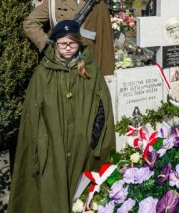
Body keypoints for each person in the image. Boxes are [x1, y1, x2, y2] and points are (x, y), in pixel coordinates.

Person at [8, 20, 115, 213]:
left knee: (80, 193)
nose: (67, 47)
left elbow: (102, 107)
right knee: (51, 194)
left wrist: (94, 140)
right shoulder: (44, 72)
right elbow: (32, 115)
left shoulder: (90, 69)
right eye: (62, 43)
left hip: (82, 144)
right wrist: (39, 145)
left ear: (79, 43)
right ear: (55, 43)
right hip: (51, 144)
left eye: (72, 43)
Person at [23, 0, 115, 76]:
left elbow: (105, 38)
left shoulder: (97, 2)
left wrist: (106, 72)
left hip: (87, 62)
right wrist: (46, 44)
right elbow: (30, 23)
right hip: (59, 61)